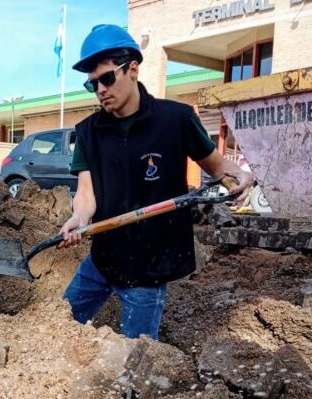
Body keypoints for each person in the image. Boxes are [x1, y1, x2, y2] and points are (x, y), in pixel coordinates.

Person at [57, 25, 254, 340]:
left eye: (107, 78)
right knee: (57, 330)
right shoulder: (88, 133)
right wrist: (79, 218)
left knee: (137, 360)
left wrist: (240, 176)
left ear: (132, 69)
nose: (100, 90)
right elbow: (86, 193)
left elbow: (218, 168)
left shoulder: (175, 120)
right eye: (92, 84)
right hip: (102, 261)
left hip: (149, 271)